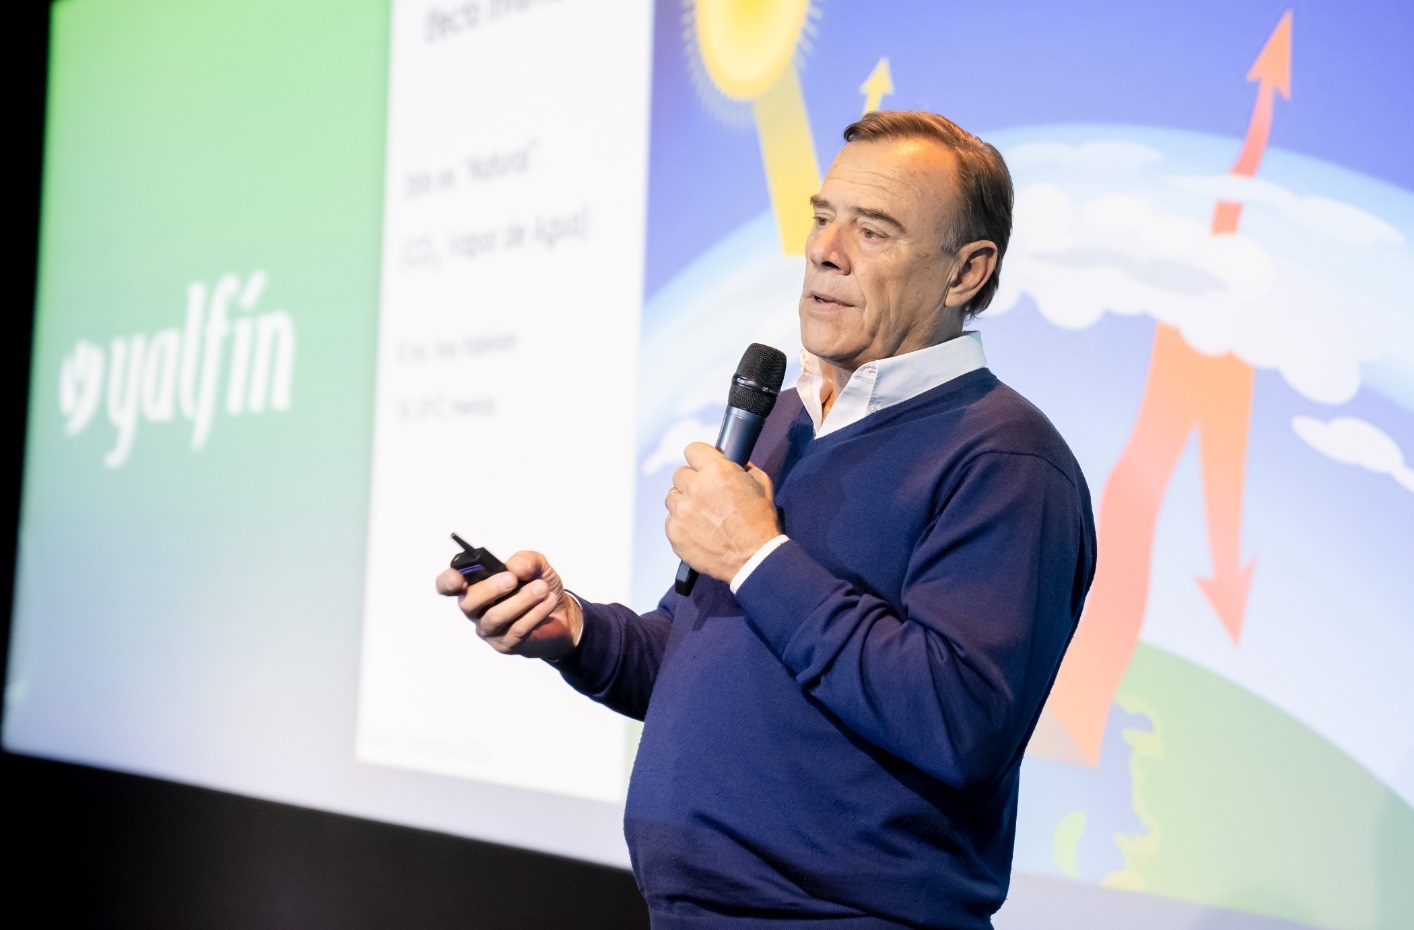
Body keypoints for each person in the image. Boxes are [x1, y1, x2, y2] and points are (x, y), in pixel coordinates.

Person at [437, 111, 1096, 929]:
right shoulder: (784, 420)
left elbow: (958, 721)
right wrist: (575, 632)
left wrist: (758, 554)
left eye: (873, 231)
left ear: (966, 272)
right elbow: (699, 660)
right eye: (823, 218)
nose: (825, 251)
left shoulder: (1006, 459)